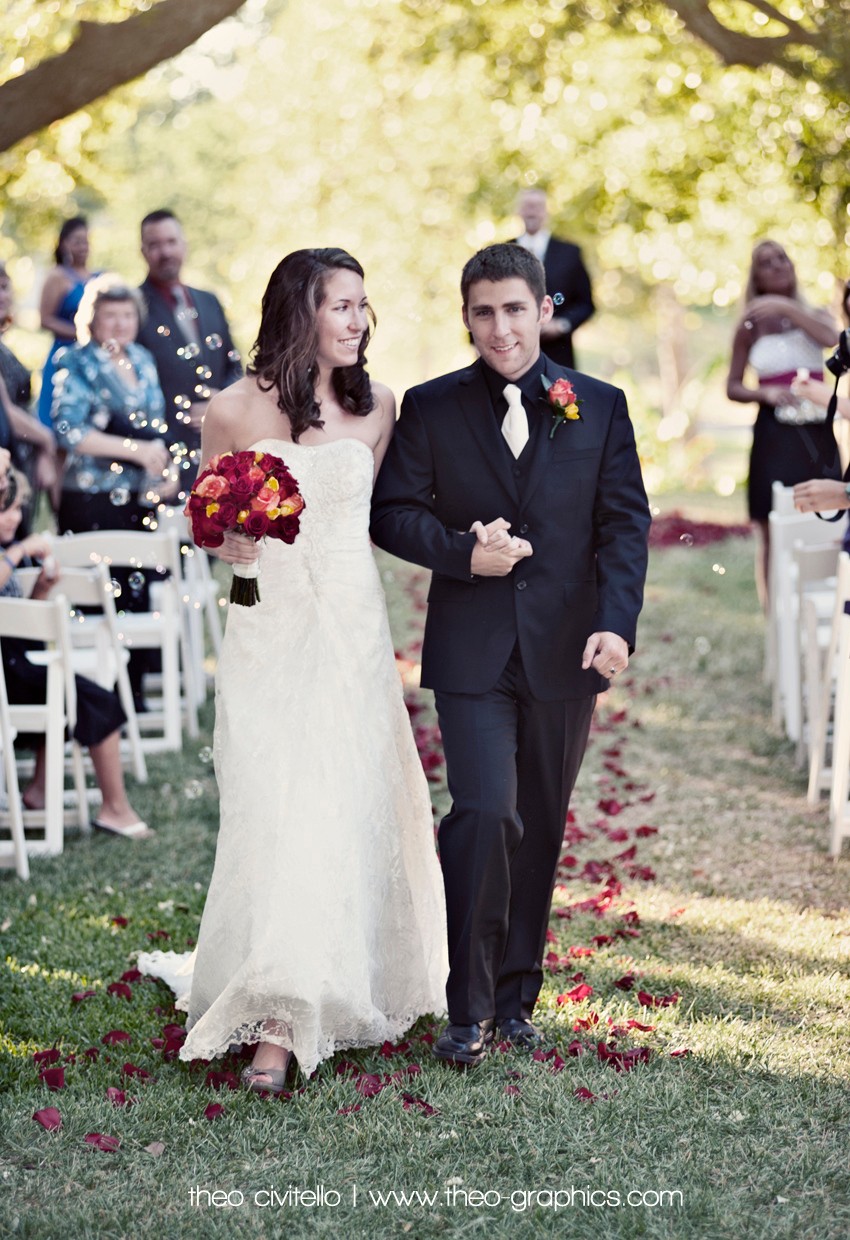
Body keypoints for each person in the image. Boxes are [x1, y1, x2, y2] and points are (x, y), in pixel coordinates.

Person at [140, 248, 447, 1092]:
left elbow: (380, 517)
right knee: (273, 807)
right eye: (341, 305)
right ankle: (273, 984)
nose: (357, 320)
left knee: (337, 802)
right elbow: (210, 523)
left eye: (361, 305)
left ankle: (286, 1019)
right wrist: (228, 539)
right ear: (298, 311)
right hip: (264, 631)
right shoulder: (232, 410)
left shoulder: (379, 407)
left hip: (349, 632)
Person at [370, 243, 650, 1066]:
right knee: (487, 811)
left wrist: (616, 622)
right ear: (466, 318)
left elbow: (624, 524)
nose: (501, 329)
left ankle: (517, 998)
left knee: (540, 824)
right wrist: (462, 552)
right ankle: (467, 1004)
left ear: (543, 311)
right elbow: (392, 514)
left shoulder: (597, 404)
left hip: (568, 647)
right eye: (483, 312)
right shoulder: (430, 407)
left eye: (514, 310)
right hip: (472, 651)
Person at [0, 470, 151, 838]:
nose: (15, 518)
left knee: (75, 694)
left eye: (18, 509)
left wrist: (41, 590)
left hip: (17, 663)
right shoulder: (8, 555)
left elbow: (17, 619)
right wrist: (19, 550)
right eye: (5, 509)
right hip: (7, 673)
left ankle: (39, 791)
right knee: (94, 699)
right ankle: (114, 807)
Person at [726, 240, 839, 606]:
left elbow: (833, 341)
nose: (776, 266)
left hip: (817, 431)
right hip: (774, 432)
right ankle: (775, 616)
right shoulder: (749, 325)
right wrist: (766, 395)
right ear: (755, 275)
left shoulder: (818, 314)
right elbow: (733, 386)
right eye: (765, 262)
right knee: (772, 525)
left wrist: (787, 306)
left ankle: (828, 607)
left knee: (829, 518)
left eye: (782, 258)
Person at [136, 210, 243, 491]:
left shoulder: (210, 301)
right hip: (165, 457)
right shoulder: (133, 308)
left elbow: (234, 366)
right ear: (143, 251)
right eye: (155, 244)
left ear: (184, 244)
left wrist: (221, 403)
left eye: (171, 241)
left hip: (220, 451)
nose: (165, 252)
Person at [0, 262, 59, 526]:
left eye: (4, 287)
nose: (1, 295)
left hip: (21, 461)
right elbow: (7, 411)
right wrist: (46, 440)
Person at [512, 188, 594, 369]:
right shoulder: (503, 250)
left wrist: (561, 324)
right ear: (518, 211)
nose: (532, 211)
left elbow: (585, 303)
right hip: (512, 354)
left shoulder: (570, 253)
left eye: (538, 206)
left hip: (558, 356)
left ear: (547, 212)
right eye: (527, 206)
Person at [36, 216, 94, 429]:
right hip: (63, 356)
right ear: (63, 243)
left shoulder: (95, 276)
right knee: (58, 423)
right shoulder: (57, 276)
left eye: (86, 241)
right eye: (77, 241)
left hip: (91, 358)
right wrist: (80, 333)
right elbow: (45, 319)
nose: (83, 247)